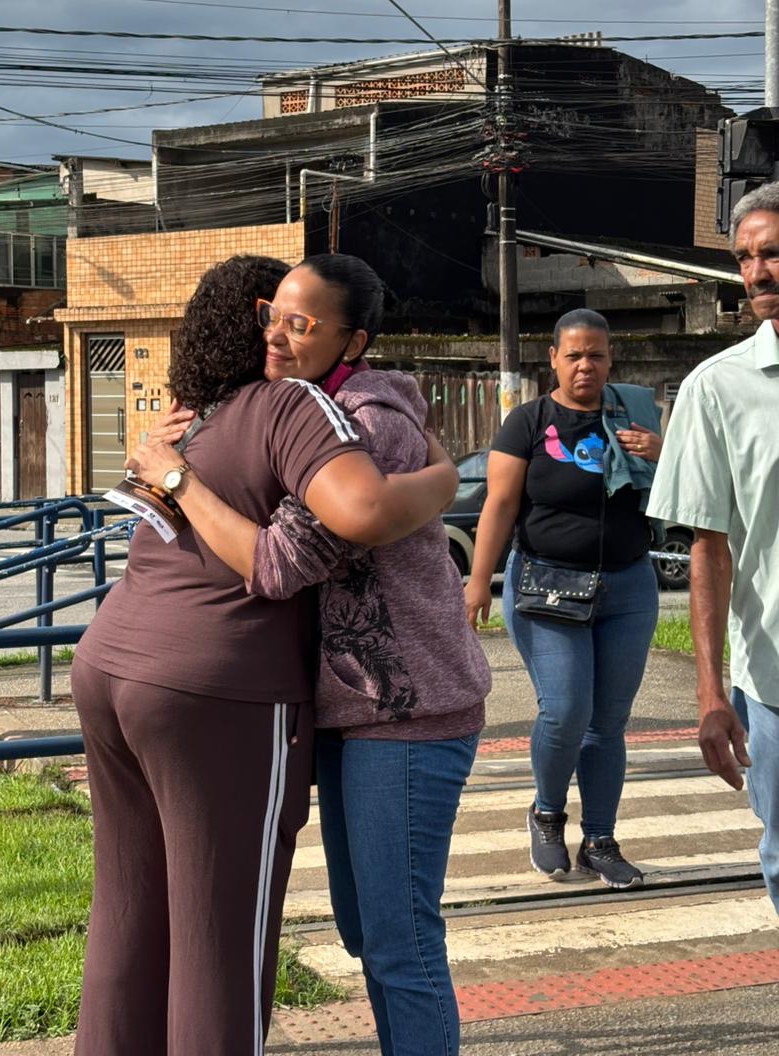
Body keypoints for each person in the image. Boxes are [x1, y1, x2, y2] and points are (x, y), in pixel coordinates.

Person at [70, 255, 457, 1056]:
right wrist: (447, 479)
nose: (277, 332)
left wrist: (170, 470)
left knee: (128, 915)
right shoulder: (284, 410)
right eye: (268, 313)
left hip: (116, 663)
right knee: (222, 937)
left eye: (299, 320)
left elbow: (326, 520)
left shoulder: (204, 414)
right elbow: (319, 538)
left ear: (353, 336)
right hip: (217, 686)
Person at [465, 309, 662, 890]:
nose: (585, 365)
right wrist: (479, 580)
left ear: (610, 360)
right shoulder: (528, 422)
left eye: (596, 355)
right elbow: (498, 506)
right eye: (574, 354)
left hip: (628, 585)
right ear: (552, 357)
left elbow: (682, 488)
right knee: (566, 709)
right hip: (546, 584)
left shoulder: (632, 417)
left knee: (609, 722)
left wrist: (661, 450)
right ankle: (547, 812)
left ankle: (600, 840)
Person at [648, 181, 779, 915]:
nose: (758, 273)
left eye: (774, 254)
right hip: (772, 681)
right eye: (746, 258)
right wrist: (708, 692)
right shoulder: (716, 389)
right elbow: (709, 546)